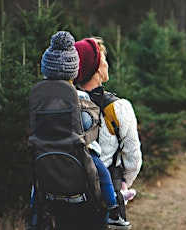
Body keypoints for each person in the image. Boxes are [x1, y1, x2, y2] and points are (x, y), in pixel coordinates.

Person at [29, 31, 128, 230]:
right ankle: (113, 210)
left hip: (43, 146)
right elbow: (86, 123)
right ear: (73, 71)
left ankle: (35, 214)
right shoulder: (78, 96)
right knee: (101, 171)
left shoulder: (40, 96)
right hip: (74, 146)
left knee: (36, 179)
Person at [74, 36, 142, 227]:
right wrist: (122, 185)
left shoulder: (65, 104)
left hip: (68, 196)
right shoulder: (119, 108)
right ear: (96, 68)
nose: (107, 63)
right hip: (105, 199)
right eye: (103, 59)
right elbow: (133, 159)